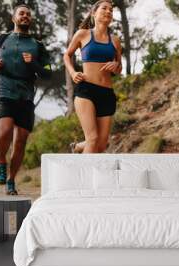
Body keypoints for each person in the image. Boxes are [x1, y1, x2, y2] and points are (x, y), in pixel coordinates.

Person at [0, 4, 52, 194]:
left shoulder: (37, 45)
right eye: (21, 13)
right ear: (14, 18)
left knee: (20, 142)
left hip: (26, 95)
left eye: (28, 14)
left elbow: (48, 72)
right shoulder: (1, 39)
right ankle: (1, 159)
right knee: (3, 133)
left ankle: (11, 180)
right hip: (5, 91)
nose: (25, 16)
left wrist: (34, 63)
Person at [64, 0, 122, 154]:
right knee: (93, 139)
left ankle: (77, 147)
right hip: (86, 90)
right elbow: (67, 55)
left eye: (111, 10)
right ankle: (82, 178)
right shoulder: (83, 34)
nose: (109, 12)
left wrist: (116, 66)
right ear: (93, 13)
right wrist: (73, 73)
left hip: (107, 94)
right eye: (104, 8)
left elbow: (119, 67)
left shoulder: (115, 41)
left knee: (101, 145)